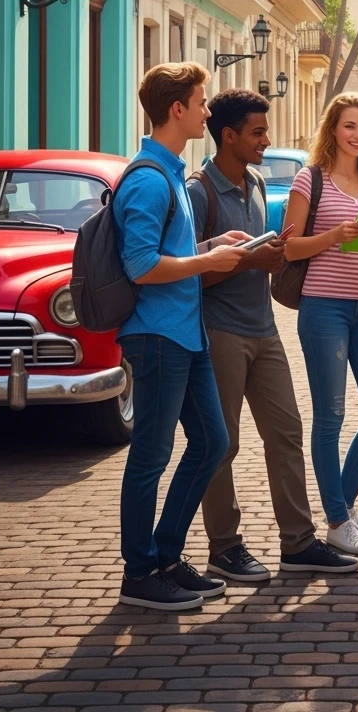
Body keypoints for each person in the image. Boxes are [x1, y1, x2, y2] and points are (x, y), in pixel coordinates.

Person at [187, 89, 358, 580]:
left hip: (264, 330)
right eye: (257, 132)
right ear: (229, 135)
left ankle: (298, 543)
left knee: (286, 433)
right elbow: (192, 273)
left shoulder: (259, 183)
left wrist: (277, 256)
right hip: (219, 333)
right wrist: (250, 260)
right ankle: (224, 548)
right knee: (221, 445)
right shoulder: (199, 190)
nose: (267, 140)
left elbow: (265, 257)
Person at [114, 62, 249, 612]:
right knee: (150, 453)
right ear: (177, 110)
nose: (207, 111)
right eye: (201, 102)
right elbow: (141, 265)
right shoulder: (148, 177)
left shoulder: (169, 170)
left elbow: (168, 250)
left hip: (185, 336)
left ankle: (166, 556)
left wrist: (214, 244)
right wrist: (207, 261)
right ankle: (140, 571)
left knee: (213, 442)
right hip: (156, 337)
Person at [282, 92, 358, 557]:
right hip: (323, 308)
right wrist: (334, 235)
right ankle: (336, 519)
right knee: (330, 416)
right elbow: (290, 249)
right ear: (333, 129)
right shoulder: (308, 179)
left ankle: (343, 510)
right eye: (350, 126)